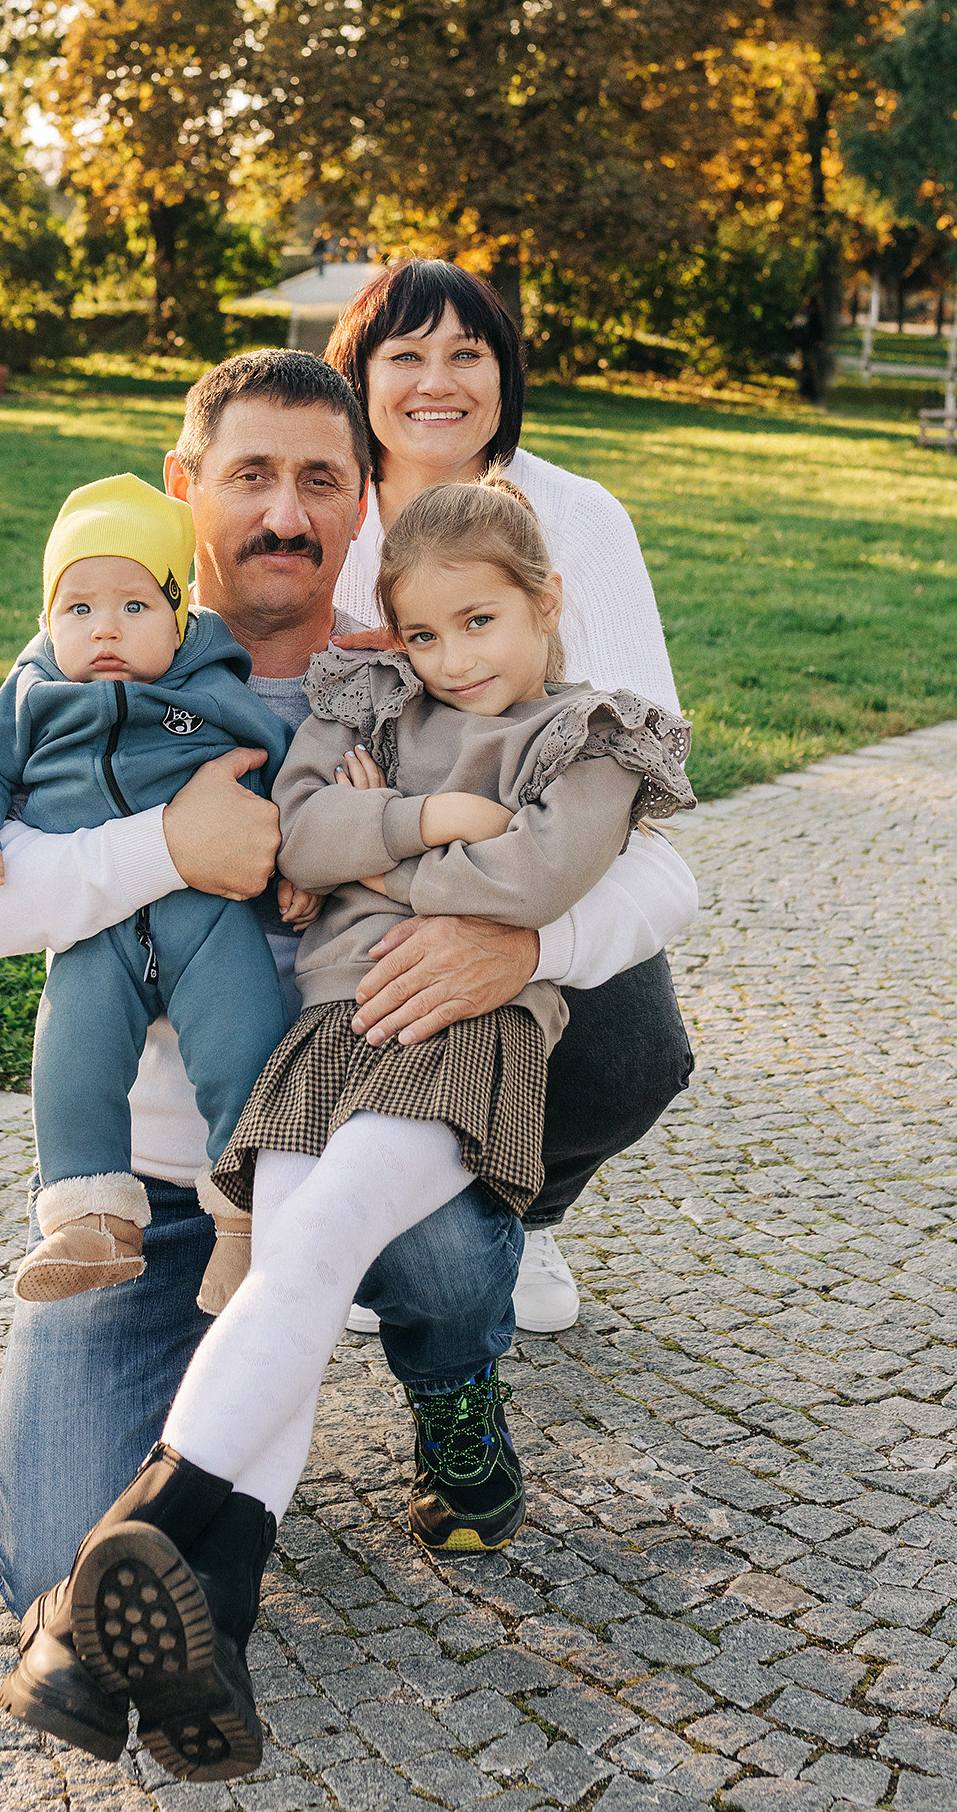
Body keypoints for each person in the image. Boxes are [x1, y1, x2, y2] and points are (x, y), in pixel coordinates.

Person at [0, 345, 695, 1753]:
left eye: (320, 479)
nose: (285, 512)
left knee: (427, 1243)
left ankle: (450, 1380)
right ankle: (176, 1634)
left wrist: (523, 947)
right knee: (46, 1561)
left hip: (361, 1106)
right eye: (251, 475)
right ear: (184, 486)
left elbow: (657, 873)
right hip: (160, 1189)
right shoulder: (100, 653)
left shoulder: (407, 676)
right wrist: (167, 845)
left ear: (362, 499)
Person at [325, 256, 694, 1333]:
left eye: (466, 353)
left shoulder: (577, 517)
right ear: (359, 376)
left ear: (504, 373)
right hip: (362, 857)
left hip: (534, 850)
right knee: (353, 1014)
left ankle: (519, 1211)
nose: (436, 381)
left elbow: (631, 775)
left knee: (632, 1056)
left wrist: (521, 938)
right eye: (405, 355)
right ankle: (372, 1223)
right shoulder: (326, 516)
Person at [0, 471, 303, 1305]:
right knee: (72, 1058)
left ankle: (247, 1225)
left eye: (134, 606)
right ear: (47, 620)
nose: (105, 629)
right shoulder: (32, 696)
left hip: (210, 918)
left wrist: (297, 869)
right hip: (97, 936)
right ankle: (90, 1220)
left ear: (179, 614)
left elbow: (280, 775)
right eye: (78, 608)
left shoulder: (211, 688)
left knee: (245, 1043)